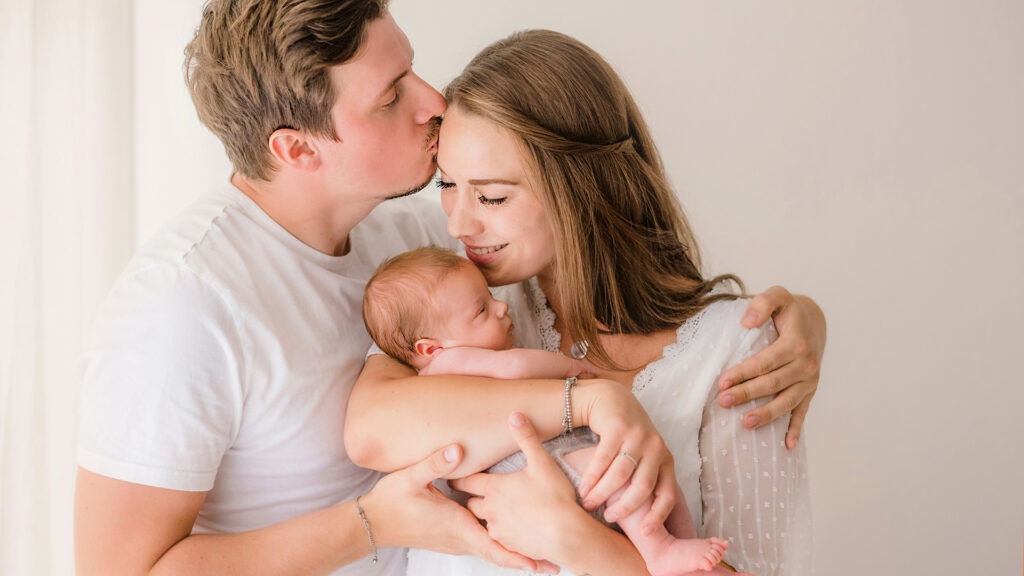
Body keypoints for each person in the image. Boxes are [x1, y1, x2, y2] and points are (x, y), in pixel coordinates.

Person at [75, 2, 822, 575]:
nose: (433, 100)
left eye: (413, 68)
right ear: (297, 148)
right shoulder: (184, 303)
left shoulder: (426, 252)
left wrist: (800, 321)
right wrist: (590, 398)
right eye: (391, 93)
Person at [347, 29, 824, 575]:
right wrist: (592, 400)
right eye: (448, 185)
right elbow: (368, 432)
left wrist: (574, 539)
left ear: (581, 189)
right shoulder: (463, 305)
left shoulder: (737, 349)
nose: (459, 222)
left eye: (493, 196)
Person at [362, 245, 735, 575]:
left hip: (535, 467)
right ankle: (663, 548)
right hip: (525, 462)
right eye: (481, 310)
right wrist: (570, 370)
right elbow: (515, 368)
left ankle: (682, 550)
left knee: (646, 473)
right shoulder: (448, 364)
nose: (501, 306)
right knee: (622, 471)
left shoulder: (433, 370)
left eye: (490, 297)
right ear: (430, 348)